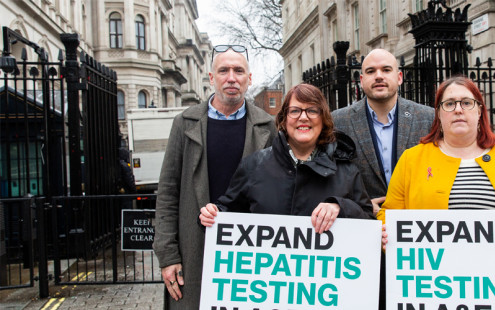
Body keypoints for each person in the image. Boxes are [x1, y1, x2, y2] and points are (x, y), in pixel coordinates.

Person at [377, 75, 495, 269]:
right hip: (438, 281)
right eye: (449, 104)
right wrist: (386, 236)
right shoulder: (412, 159)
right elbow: (389, 213)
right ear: (438, 113)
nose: (458, 110)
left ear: (480, 110)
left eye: (467, 103)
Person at [153, 45, 277, 309]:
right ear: (211, 78)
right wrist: (167, 255)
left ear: (249, 79)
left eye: (238, 71)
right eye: (224, 70)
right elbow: (167, 193)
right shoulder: (185, 123)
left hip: (250, 253)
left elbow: (280, 189)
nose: (231, 77)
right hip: (194, 251)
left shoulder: (267, 126)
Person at [331, 48, 434, 310]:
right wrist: (363, 204)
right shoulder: (337, 122)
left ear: (399, 77)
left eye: (386, 70)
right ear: (361, 80)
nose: (379, 76)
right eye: (371, 71)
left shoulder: (429, 118)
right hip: (360, 238)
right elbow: (330, 176)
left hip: (418, 240)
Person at [199, 83, 374, 233]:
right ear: (283, 120)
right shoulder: (254, 166)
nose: (303, 117)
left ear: (324, 119)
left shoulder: (347, 171)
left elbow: (369, 223)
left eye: (312, 110)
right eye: (295, 111)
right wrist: (213, 213)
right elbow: (227, 211)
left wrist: (340, 206)